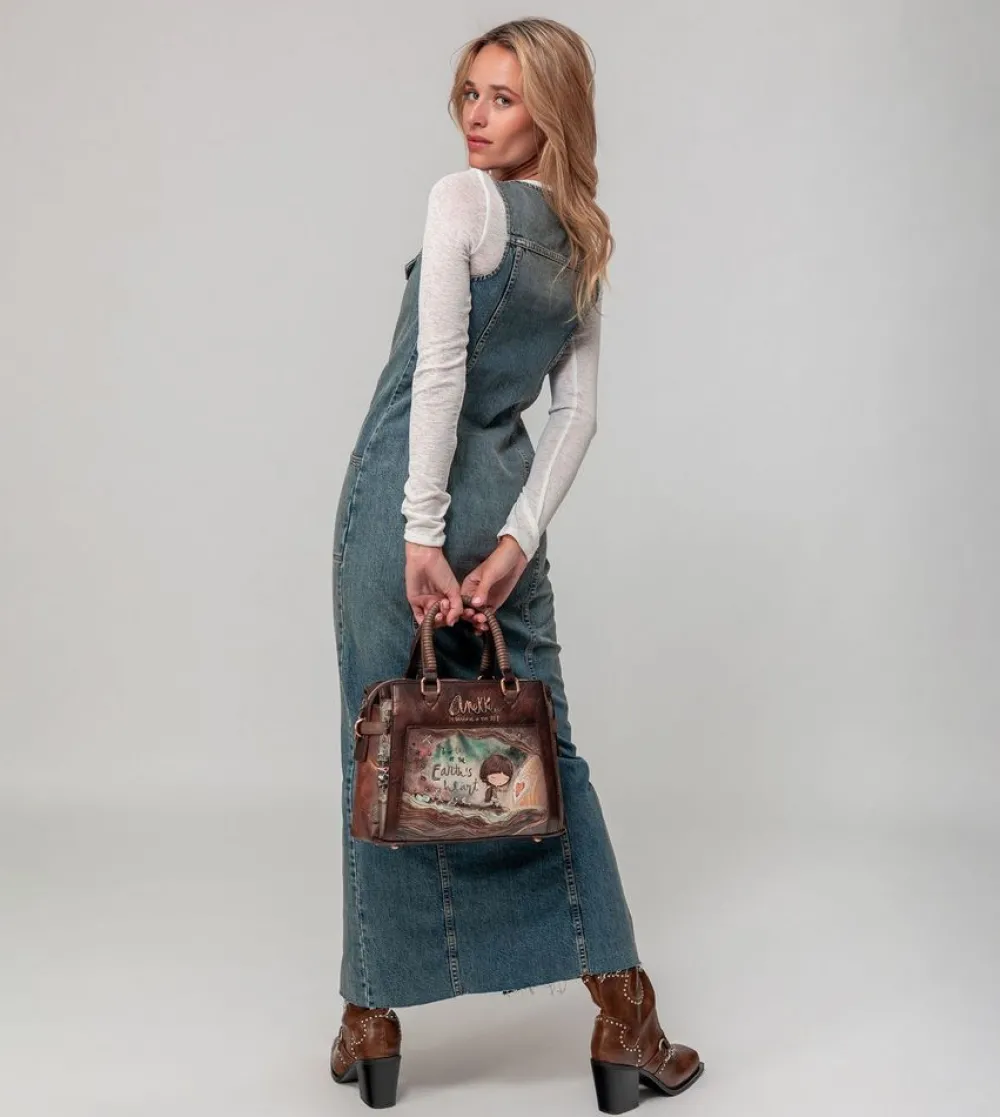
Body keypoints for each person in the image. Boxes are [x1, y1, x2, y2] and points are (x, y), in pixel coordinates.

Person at [329, 18, 703, 1112]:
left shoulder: (462, 201)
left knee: (381, 739)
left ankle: (370, 1018)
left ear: (553, 109)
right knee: (542, 743)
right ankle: (626, 1014)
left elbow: (438, 375)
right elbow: (575, 415)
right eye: (470, 93)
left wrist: (419, 532)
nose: (477, 117)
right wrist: (513, 540)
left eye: (503, 97)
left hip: (400, 499)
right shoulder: (583, 238)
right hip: (499, 507)